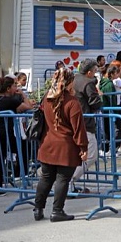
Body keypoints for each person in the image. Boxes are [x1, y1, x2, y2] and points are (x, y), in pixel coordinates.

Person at [33, 68, 88, 222]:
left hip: (47, 144)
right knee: (62, 179)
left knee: (45, 178)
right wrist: (83, 147)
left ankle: (38, 209)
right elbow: (78, 128)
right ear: (70, 82)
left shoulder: (46, 98)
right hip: (65, 147)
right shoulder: (72, 102)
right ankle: (57, 211)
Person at [0, 76, 34, 197]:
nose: (16, 88)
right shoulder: (9, 100)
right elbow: (28, 107)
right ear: (8, 88)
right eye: (14, 85)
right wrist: (23, 95)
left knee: (0, 156)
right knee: (1, 157)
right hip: (2, 133)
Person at [70, 59, 102, 193]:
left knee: (76, 154)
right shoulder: (87, 83)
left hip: (72, 121)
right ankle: (69, 180)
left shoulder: (74, 79)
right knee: (91, 154)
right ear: (89, 72)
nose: (96, 74)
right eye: (95, 71)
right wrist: (99, 95)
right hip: (85, 123)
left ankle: (67, 183)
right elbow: (95, 103)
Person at [99, 64, 121, 155]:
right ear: (112, 74)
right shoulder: (109, 84)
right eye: (116, 73)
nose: (118, 75)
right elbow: (111, 98)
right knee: (110, 129)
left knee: (106, 129)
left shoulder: (103, 82)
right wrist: (115, 109)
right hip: (109, 109)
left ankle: (106, 149)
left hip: (105, 109)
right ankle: (108, 150)